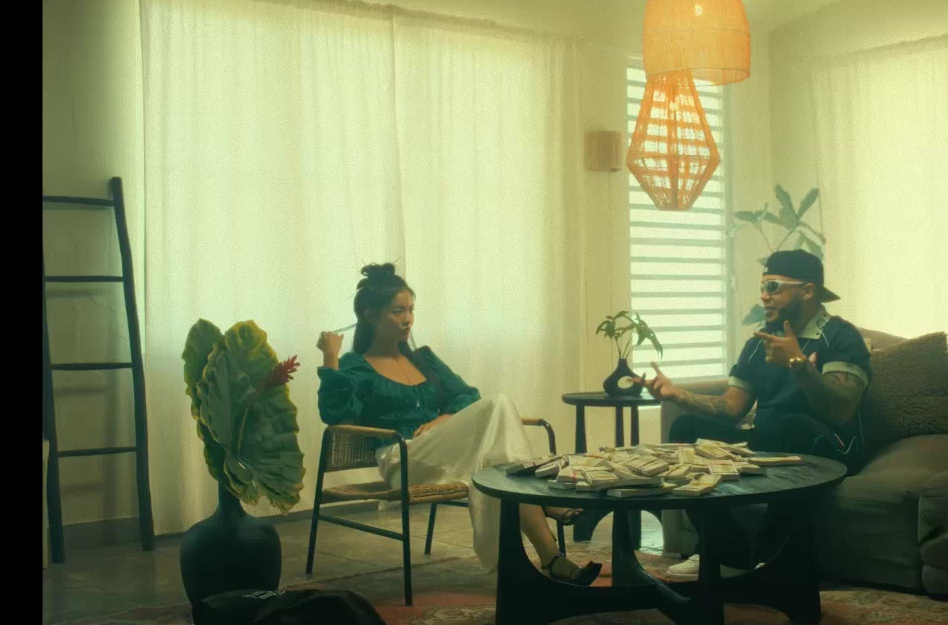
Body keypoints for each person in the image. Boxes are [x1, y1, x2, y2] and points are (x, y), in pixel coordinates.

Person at [316, 263, 601, 586]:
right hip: (402, 459)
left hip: (442, 453)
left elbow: (466, 395)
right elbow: (337, 415)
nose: (408, 319)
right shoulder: (355, 366)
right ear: (370, 315)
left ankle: (552, 559)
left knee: (500, 465)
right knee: (499, 406)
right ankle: (542, 501)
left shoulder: (423, 358)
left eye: (411, 309)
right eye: (398, 311)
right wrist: (330, 358)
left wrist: (447, 417)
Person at [631, 249, 872, 580]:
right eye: (762, 287)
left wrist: (799, 364)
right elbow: (732, 407)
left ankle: (773, 560)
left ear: (807, 291)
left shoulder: (841, 336)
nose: (763, 296)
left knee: (790, 425)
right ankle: (727, 553)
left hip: (832, 446)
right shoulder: (761, 342)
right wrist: (678, 395)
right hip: (770, 440)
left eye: (773, 286)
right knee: (686, 429)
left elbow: (842, 410)